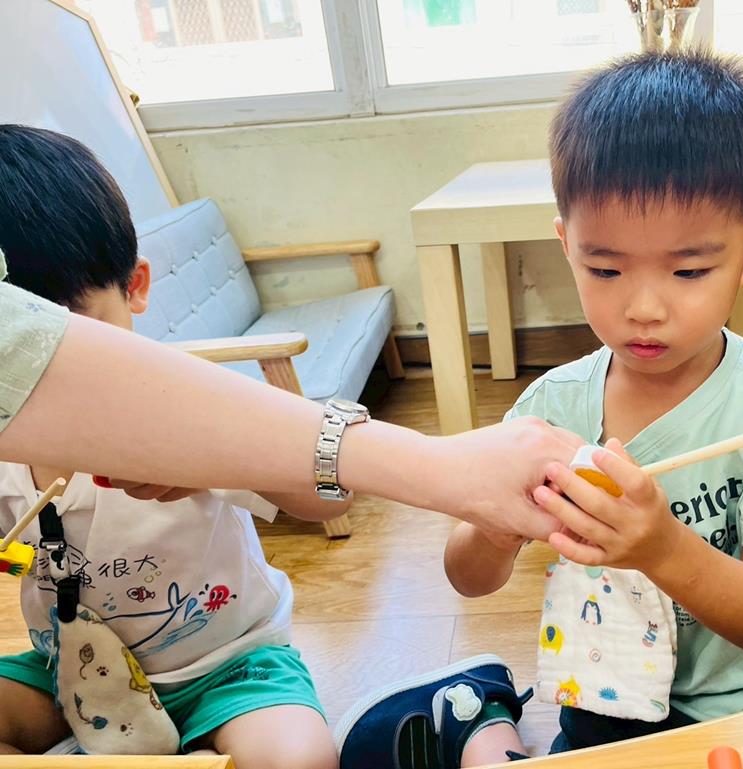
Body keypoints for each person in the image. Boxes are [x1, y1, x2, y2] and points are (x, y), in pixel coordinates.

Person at [334, 51, 743, 769]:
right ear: (567, 245)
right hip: (606, 706)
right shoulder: (552, 408)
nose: (643, 307)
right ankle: (479, 717)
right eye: (604, 268)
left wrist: (661, 547)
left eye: (689, 270)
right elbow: (467, 577)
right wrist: (499, 524)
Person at [0, 125, 581, 761]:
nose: (46, 379)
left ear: (135, 287)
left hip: (229, 668)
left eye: (75, 335)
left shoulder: (190, 412)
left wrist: (221, 464)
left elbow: (328, 502)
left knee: (302, 758)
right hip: (71, 670)